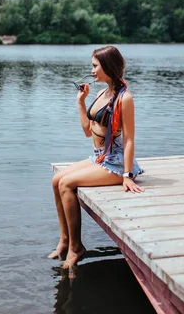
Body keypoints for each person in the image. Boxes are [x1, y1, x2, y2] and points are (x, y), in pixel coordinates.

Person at [50, 45, 145, 269]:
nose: (92, 71)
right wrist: (81, 102)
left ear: (108, 66)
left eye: (95, 66)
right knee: (56, 180)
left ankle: (76, 247)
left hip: (116, 162)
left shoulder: (125, 98)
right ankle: (64, 241)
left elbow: (129, 140)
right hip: (100, 156)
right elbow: (87, 131)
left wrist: (127, 175)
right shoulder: (102, 93)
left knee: (66, 183)